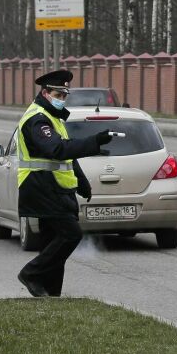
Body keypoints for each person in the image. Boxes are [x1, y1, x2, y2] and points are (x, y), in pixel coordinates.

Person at [16, 69, 113, 297]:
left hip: (57, 187)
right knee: (71, 235)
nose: (61, 100)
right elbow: (56, 149)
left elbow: (67, 155)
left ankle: (51, 293)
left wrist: (81, 182)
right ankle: (31, 274)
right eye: (58, 95)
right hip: (41, 186)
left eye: (64, 96)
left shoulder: (52, 118)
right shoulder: (38, 119)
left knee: (52, 240)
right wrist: (94, 142)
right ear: (45, 92)